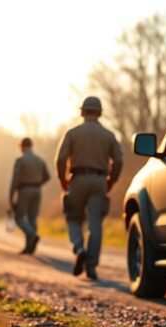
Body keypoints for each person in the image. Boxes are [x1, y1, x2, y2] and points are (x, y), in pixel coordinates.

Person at [55, 96, 123, 280]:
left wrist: (63, 179)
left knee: (72, 217)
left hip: (77, 179)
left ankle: (79, 248)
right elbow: (119, 159)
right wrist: (111, 181)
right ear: (100, 113)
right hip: (100, 180)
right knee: (95, 224)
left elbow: (60, 159)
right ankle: (91, 266)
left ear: (82, 112)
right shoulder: (109, 135)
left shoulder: (72, 133)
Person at [9, 137, 50, 254]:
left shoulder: (20, 160)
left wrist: (11, 197)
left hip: (25, 190)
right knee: (32, 218)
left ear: (22, 147)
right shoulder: (40, 160)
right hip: (37, 190)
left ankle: (32, 235)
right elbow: (47, 176)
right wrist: (38, 184)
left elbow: (14, 180)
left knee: (19, 218)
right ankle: (30, 248)